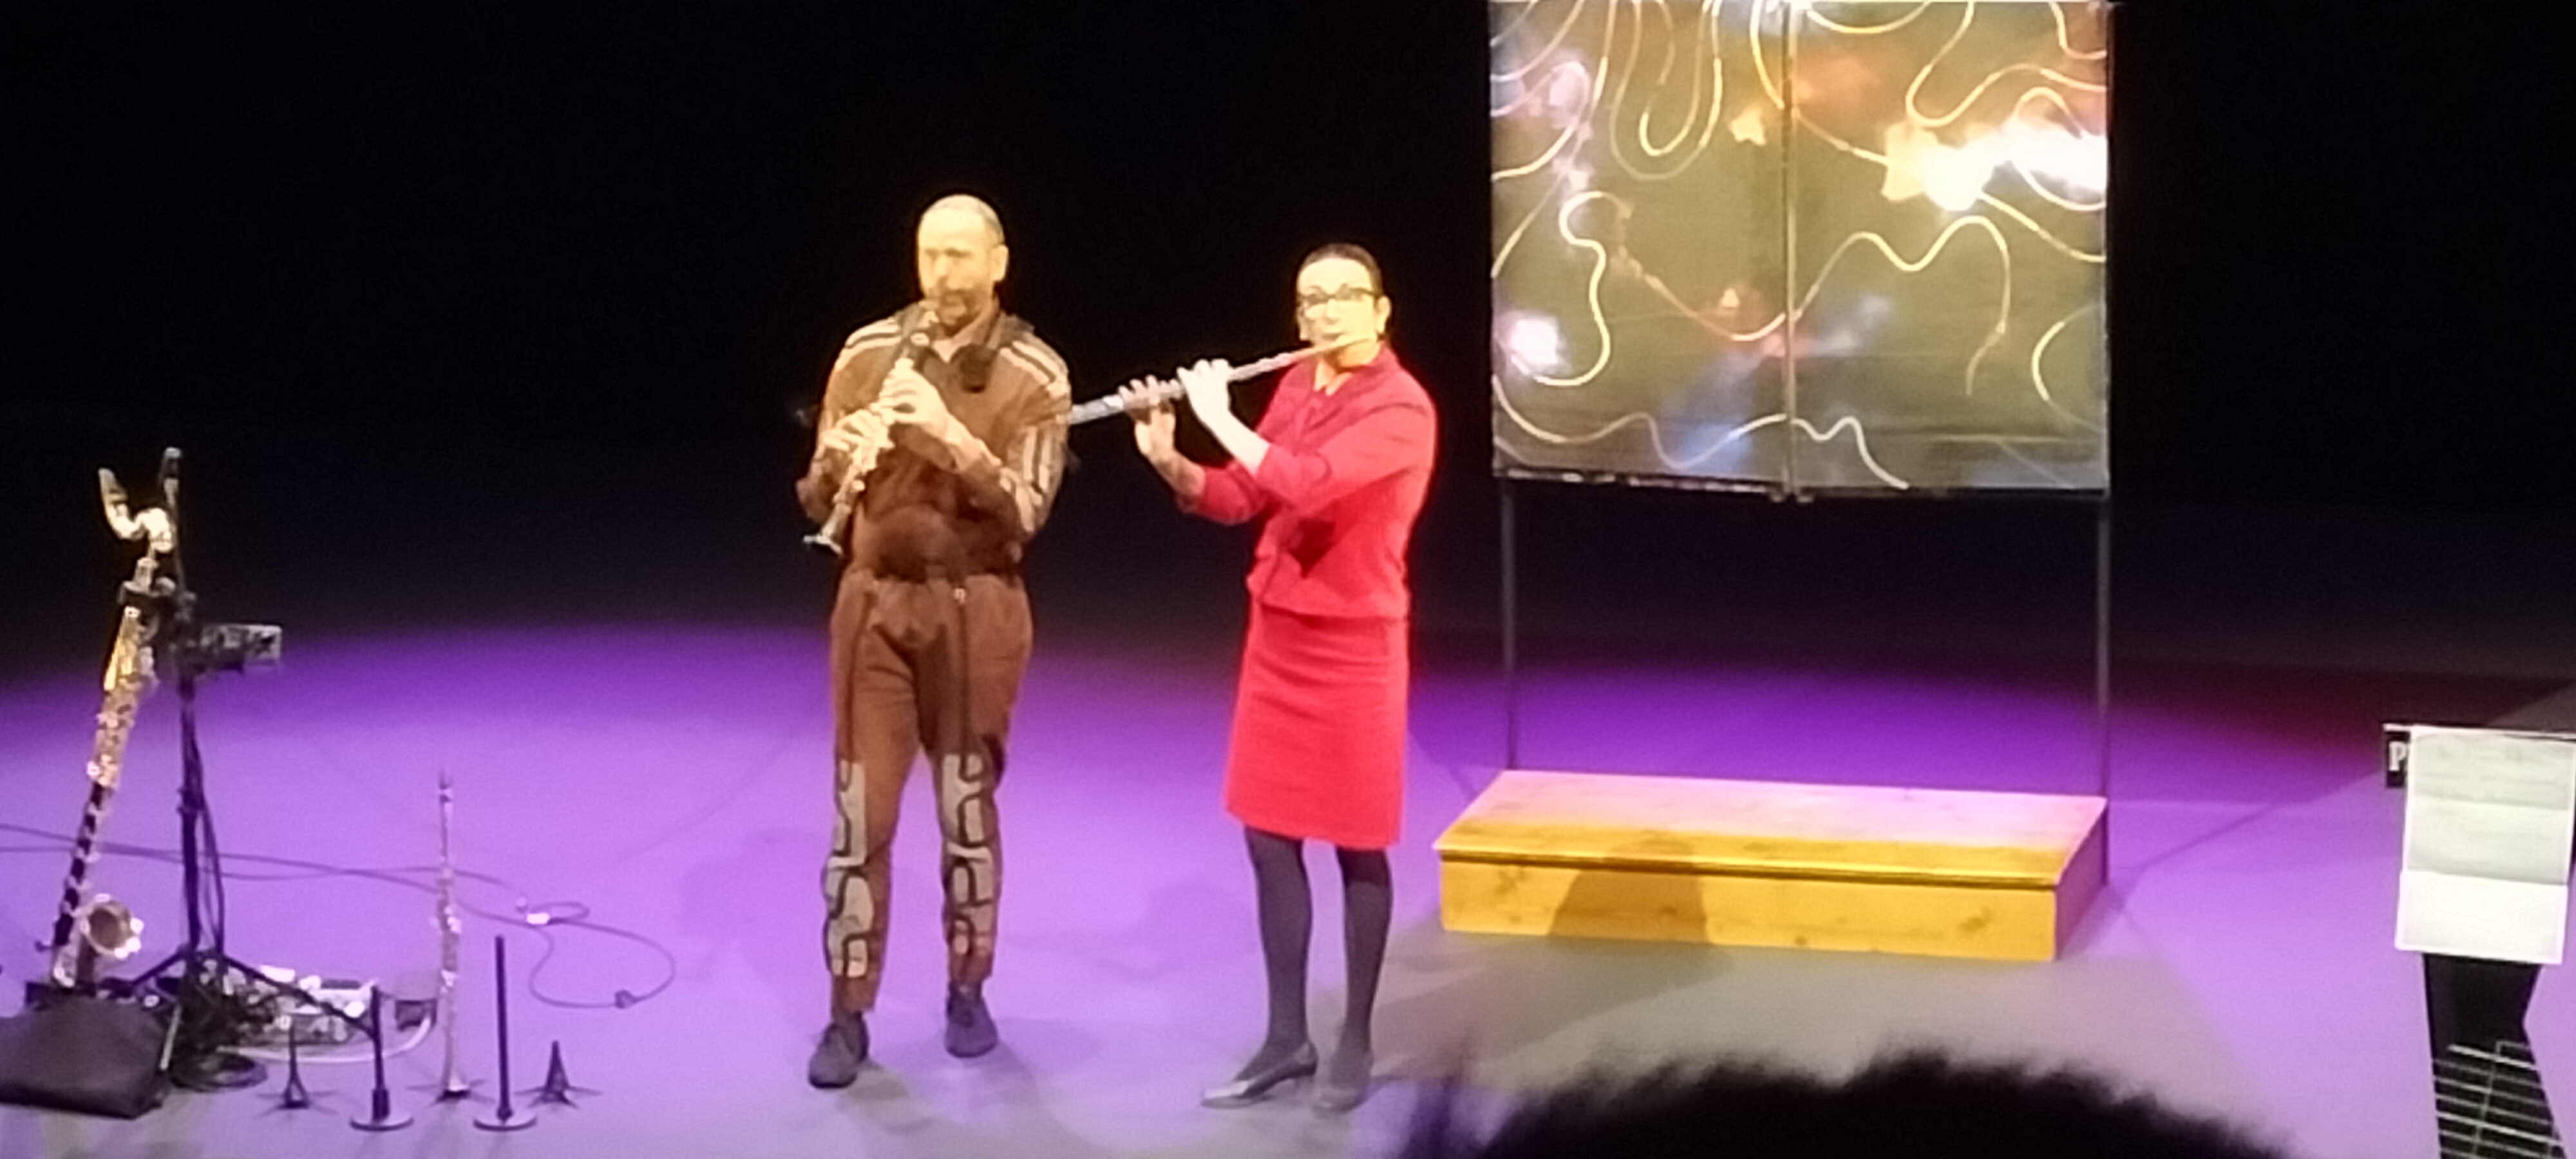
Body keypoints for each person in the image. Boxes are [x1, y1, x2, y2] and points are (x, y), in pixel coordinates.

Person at [1122, 243, 1437, 1113]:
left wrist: (1220, 415)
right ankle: (1286, 1037)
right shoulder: (1301, 384)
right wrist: (1171, 458)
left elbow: (1309, 483)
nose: (1325, 313)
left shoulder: (1403, 407)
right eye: (1310, 301)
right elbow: (1244, 496)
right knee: (1268, 837)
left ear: (1381, 310)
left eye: (1344, 296)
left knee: (1357, 843)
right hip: (1280, 637)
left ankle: (1356, 1038)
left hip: (1355, 647)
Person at [794, 193, 1070, 1088]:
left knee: (965, 810)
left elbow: (1028, 508)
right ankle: (847, 1010)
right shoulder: (869, 351)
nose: (943, 275)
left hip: (974, 610)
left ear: (998, 262)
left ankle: (967, 986)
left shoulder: (1035, 371)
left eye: (960, 256)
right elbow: (814, 494)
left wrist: (952, 441)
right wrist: (840, 459)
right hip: (873, 603)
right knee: (859, 817)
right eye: (929, 255)